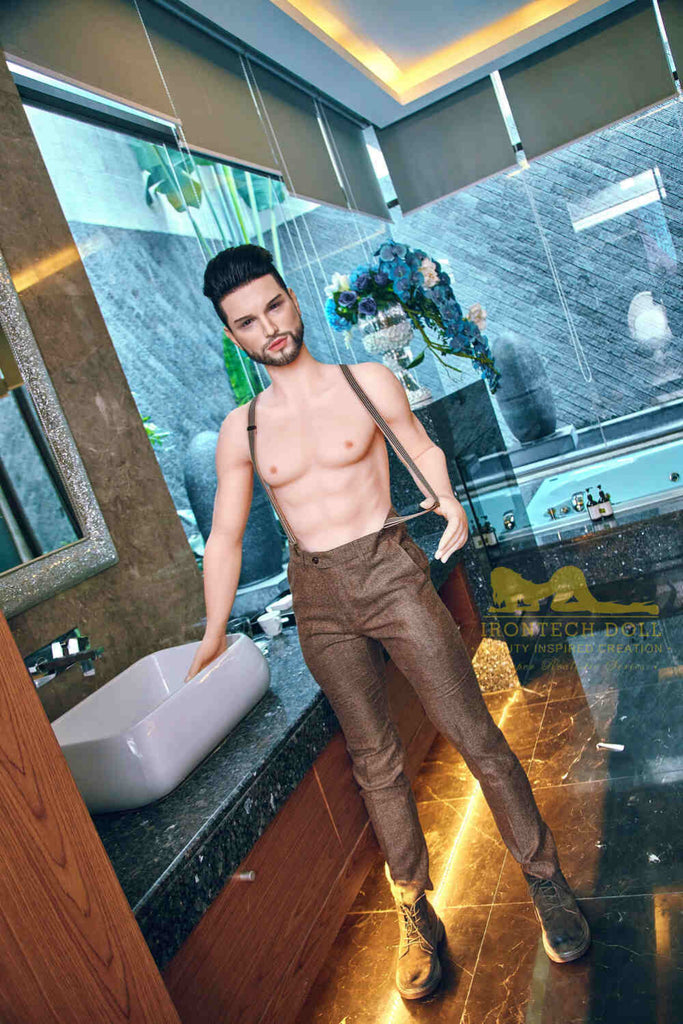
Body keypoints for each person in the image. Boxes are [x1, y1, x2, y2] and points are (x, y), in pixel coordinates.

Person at [186, 244, 591, 1000]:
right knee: (374, 761)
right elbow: (225, 539)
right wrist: (212, 636)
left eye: (274, 306)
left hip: (389, 569)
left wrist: (447, 496)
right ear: (232, 334)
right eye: (247, 321)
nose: (269, 327)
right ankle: (416, 912)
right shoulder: (243, 430)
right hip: (317, 596)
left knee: (472, 731)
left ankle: (545, 880)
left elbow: (420, 446)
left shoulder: (363, 381)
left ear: (292, 298)